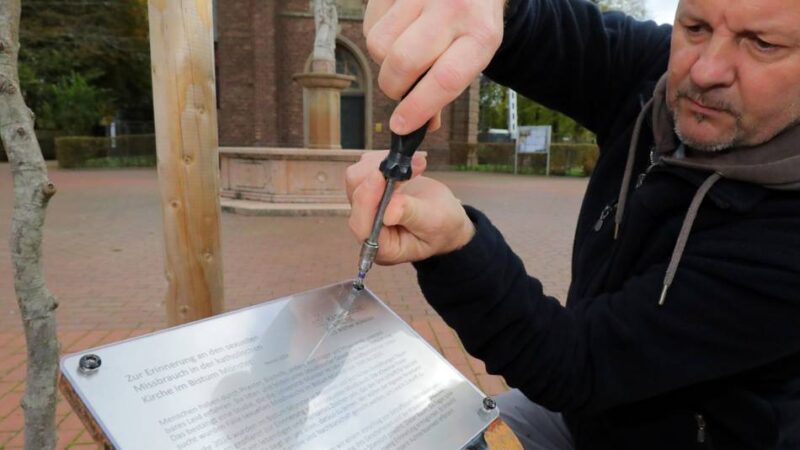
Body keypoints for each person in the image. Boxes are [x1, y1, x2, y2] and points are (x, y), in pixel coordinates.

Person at [345, 0, 800, 448]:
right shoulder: (656, 78)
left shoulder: (786, 243)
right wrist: (491, 9)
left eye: (760, 43)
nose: (704, 71)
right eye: (695, 27)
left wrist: (454, 246)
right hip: (584, 414)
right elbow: (552, 35)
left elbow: (577, 363)